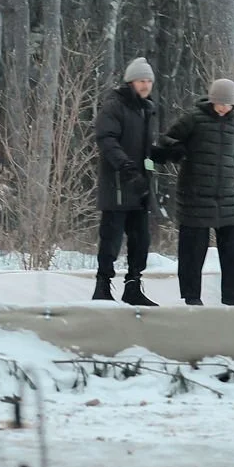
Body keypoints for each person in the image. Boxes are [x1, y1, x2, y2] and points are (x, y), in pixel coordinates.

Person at [157, 78, 234, 306]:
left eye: (228, 104)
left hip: (225, 195)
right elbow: (166, 138)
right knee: (193, 249)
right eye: (220, 103)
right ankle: (192, 296)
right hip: (195, 193)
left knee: (233, 248)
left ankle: (232, 296)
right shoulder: (194, 118)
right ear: (212, 100)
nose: (223, 108)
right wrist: (176, 148)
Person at [93, 57, 163, 306]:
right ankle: (102, 286)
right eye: (141, 80)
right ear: (130, 82)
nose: (145, 85)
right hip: (118, 186)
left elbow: (146, 148)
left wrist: (165, 153)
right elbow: (106, 140)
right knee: (111, 239)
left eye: (148, 81)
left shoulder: (147, 109)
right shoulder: (115, 106)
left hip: (139, 187)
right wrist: (126, 168)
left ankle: (133, 285)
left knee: (141, 240)